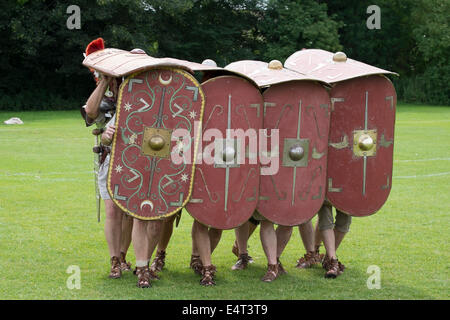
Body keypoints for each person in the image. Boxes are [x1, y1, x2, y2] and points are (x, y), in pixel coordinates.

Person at [82, 38, 133, 279]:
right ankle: (114, 260)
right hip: (110, 158)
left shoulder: (132, 89)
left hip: (134, 158)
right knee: (113, 211)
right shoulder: (102, 92)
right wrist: (103, 78)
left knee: (130, 212)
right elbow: (91, 113)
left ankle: (123, 256)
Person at [316, 203, 351, 278]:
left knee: (345, 219)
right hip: (323, 192)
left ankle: (328, 259)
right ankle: (333, 262)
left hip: (346, 193)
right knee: (325, 217)